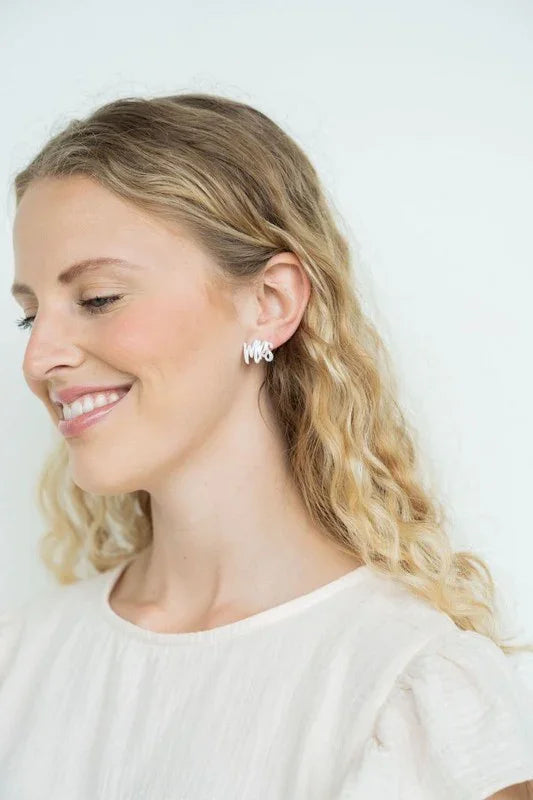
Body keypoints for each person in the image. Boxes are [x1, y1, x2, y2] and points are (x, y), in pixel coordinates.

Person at [1, 93, 532, 799]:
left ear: (271, 302)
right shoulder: (21, 661)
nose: (38, 359)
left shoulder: (405, 688)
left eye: (98, 298)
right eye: (29, 316)